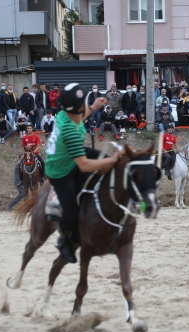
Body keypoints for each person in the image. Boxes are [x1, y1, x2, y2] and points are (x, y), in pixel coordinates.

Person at [45, 83, 118, 263]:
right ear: (78, 107)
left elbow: (79, 117)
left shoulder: (64, 114)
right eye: (85, 102)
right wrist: (113, 160)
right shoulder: (69, 131)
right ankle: (64, 241)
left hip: (70, 154)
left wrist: (93, 107)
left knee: (103, 158)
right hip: (61, 171)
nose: (86, 103)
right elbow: (84, 165)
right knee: (71, 213)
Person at [14, 123, 45, 187]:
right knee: (19, 164)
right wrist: (25, 152)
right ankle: (21, 180)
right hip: (27, 154)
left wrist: (33, 152)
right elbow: (23, 146)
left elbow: (38, 146)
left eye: (30, 128)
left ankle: (42, 178)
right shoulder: (24, 137)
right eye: (28, 128)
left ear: (32, 129)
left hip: (35, 154)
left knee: (43, 162)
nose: (29, 129)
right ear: (26, 129)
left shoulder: (36, 136)